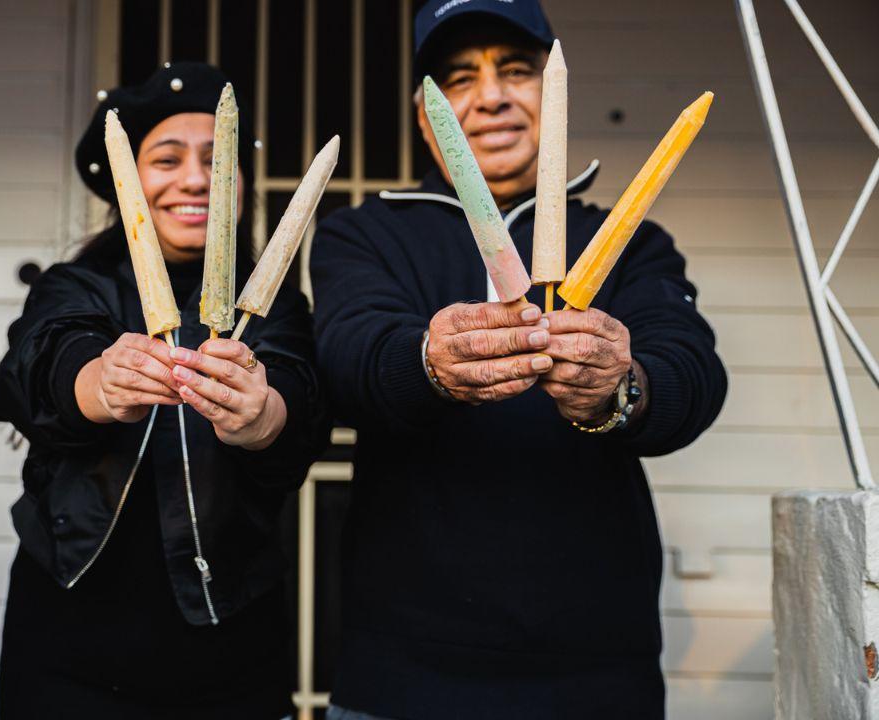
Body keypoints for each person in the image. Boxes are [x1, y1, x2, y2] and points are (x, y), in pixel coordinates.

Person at [310, 1, 727, 718]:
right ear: (425, 116)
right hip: (403, 678)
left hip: (597, 679)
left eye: (515, 71)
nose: (493, 95)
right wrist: (427, 362)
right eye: (461, 78)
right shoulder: (365, 233)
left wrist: (622, 386)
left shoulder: (631, 241)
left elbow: (692, 374)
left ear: (552, 94)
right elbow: (348, 359)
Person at [0, 62, 327, 720]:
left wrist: (264, 414)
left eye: (216, 158)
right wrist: (96, 382)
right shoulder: (77, 284)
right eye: (166, 158)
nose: (196, 178)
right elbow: (37, 361)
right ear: (127, 183)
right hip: (67, 647)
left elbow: (299, 399)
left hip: (232, 650)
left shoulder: (274, 303)